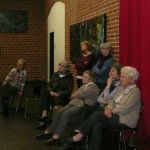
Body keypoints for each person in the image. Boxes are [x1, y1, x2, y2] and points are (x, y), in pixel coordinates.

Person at [61, 66, 141, 150]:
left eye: (123, 77)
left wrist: (110, 110)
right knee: (97, 124)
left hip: (125, 120)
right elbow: (112, 101)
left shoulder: (135, 92)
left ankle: (80, 134)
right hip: (115, 116)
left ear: (132, 79)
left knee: (98, 114)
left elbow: (125, 108)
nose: (121, 78)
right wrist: (108, 108)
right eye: (121, 76)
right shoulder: (121, 89)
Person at [36, 70, 100, 145]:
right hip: (75, 102)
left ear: (91, 79)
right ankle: (48, 131)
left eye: (85, 77)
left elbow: (79, 95)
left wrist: (77, 95)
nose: (83, 78)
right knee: (59, 112)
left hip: (83, 106)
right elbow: (72, 95)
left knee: (66, 114)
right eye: (83, 76)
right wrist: (76, 96)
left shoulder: (93, 87)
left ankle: (57, 136)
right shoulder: (84, 85)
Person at [76, 63, 122, 127]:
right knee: (83, 109)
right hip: (101, 105)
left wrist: (108, 85)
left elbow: (106, 98)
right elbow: (99, 98)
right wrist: (105, 101)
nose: (110, 72)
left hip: (108, 109)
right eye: (110, 70)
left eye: (113, 70)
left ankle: (81, 132)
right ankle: (79, 131)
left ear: (119, 73)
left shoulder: (119, 85)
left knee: (91, 113)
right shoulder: (110, 81)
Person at [37, 61, 74, 128]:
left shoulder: (69, 77)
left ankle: (43, 120)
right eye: (59, 65)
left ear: (66, 68)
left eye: (62, 66)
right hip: (52, 94)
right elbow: (49, 84)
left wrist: (58, 93)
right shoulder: (55, 74)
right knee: (44, 93)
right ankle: (44, 113)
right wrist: (50, 91)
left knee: (45, 100)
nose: (59, 67)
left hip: (61, 97)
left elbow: (69, 90)